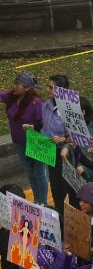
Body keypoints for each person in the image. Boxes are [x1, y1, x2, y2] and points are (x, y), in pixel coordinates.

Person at [2, 72, 44, 204]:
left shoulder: (36, 103)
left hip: (36, 142)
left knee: (39, 174)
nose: (14, 86)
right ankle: (37, 200)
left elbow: (44, 124)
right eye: (14, 83)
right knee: (30, 173)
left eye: (17, 84)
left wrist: (33, 127)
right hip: (19, 143)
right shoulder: (11, 97)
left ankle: (43, 203)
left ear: (27, 88)